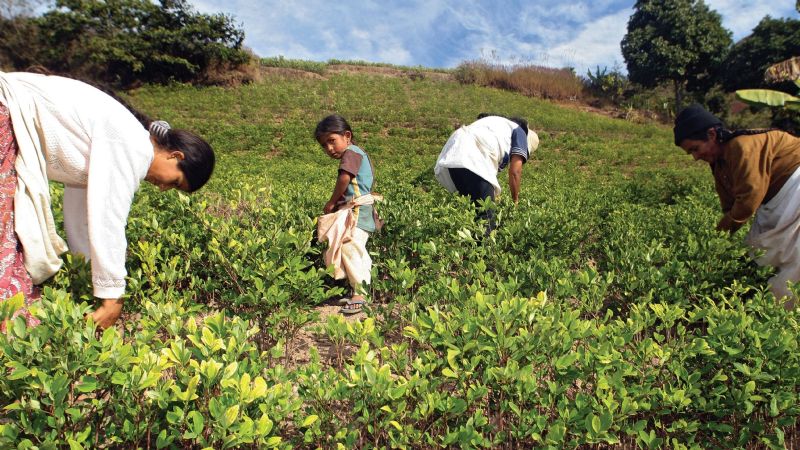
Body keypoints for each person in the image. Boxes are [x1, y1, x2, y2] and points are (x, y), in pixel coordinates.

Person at [0, 71, 215, 328]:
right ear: (175, 156)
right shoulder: (134, 146)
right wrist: (113, 296)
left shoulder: (127, 141)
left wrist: (87, 274)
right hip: (7, 112)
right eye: (175, 182)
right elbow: (107, 218)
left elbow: (81, 216)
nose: (163, 188)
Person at [674, 103, 800, 306]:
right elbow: (729, 204)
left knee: (795, 258)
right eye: (691, 153)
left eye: (695, 149)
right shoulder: (719, 165)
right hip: (775, 204)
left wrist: (718, 236)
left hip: (796, 190)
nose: (696, 157)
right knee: (758, 251)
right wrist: (714, 242)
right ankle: (767, 306)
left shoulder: (741, 146)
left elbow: (748, 200)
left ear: (712, 135)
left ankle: (784, 311)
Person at [315, 114, 377, 315]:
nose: (329, 148)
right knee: (356, 249)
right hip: (362, 209)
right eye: (324, 145)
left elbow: (344, 178)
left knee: (349, 246)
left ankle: (360, 295)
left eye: (332, 141)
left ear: (347, 136)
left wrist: (332, 202)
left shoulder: (351, 152)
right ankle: (360, 291)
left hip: (357, 210)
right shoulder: (357, 153)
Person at [434, 113, 539, 231]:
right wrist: (515, 201)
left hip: (455, 153)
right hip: (473, 155)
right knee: (486, 217)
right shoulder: (519, 132)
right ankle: (484, 242)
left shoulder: (499, 127)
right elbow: (515, 172)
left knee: (473, 211)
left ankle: (469, 242)